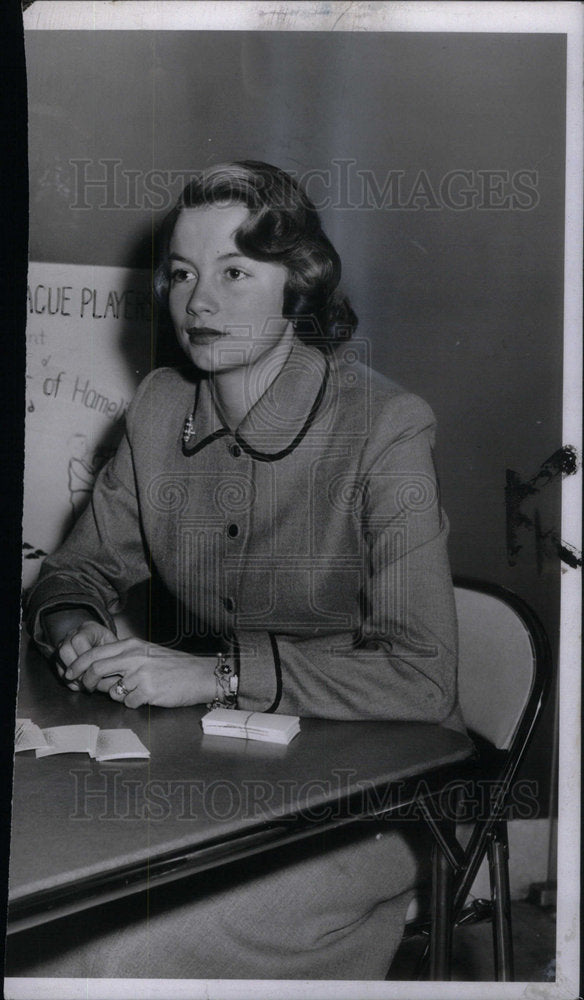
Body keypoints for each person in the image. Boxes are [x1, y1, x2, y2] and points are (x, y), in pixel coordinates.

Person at [16, 161, 462, 981]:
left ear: (299, 284)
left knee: (105, 956)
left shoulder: (385, 429)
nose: (200, 304)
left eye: (234, 273)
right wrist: (72, 627)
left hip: (364, 806)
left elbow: (423, 678)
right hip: (212, 782)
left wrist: (214, 675)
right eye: (183, 275)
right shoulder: (157, 408)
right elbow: (72, 572)